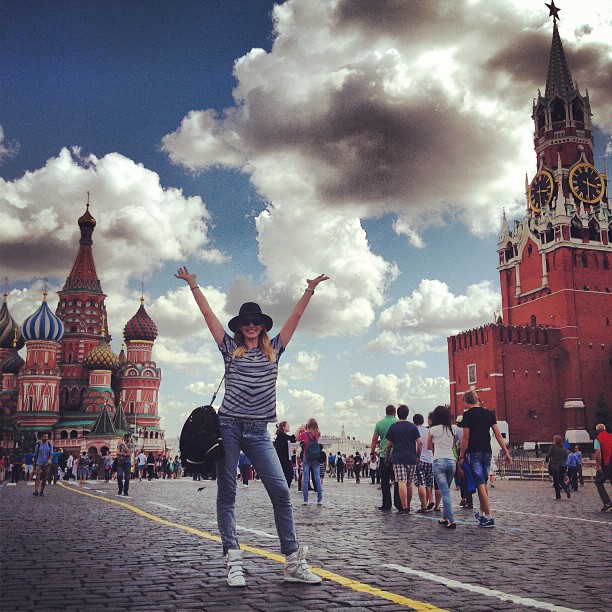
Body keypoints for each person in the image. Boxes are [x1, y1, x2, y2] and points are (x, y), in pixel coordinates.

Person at [175, 265, 327, 587]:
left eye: (256, 321)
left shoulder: (276, 351)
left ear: (263, 326)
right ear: (240, 327)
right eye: (246, 322)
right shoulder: (229, 349)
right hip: (228, 428)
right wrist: (193, 285)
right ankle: (233, 560)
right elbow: (208, 316)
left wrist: (310, 289)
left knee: (281, 492)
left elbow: (296, 317)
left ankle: (292, 563)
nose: (251, 326)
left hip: (259, 432)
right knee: (227, 494)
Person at [458, 390, 512, 528]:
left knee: (480, 483)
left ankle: (489, 517)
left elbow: (465, 438)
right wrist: (506, 452)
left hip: (473, 452)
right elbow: (498, 435)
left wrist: (461, 456)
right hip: (487, 452)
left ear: (467, 401)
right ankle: (481, 514)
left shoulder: (467, 415)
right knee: (484, 482)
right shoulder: (489, 414)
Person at [384, 404, 422, 514]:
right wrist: (418, 456)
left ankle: (404, 507)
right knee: (409, 483)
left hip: (398, 457)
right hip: (411, 457)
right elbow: (420, 442)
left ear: (397, 414)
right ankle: (408, 505)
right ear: (407, 414)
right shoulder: (413, 427)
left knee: (401, 481)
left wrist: (387, 457)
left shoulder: (394, 427)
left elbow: (388, 445)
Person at [428, 405, 458, 529]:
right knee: (446, 490)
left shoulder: (433, 429)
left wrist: (436, 446)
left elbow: (428, 446)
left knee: (444, 492)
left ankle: (451, 520)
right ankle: (445, 517)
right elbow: (453, 445)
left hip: (439, 460)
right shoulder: (453, 429)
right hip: (451, 461)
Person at [370, 404, 402, 511]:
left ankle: (386, 504)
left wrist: (372, 453)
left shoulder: (379, 424)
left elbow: (374, 439)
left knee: (384, 481)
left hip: (384, 455)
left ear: (386, 412)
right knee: (398, 480)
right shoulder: (398, 423)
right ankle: (398, 503)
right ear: (395, 412)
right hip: (397, 454)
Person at [297, 418, 323, 506]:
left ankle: (305, 500)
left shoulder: (304, 434)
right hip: (316, 457)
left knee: (306, 478)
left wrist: (302, 431)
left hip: (306, 457)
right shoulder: (318, 434)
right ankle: (319, 499)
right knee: (317, 478)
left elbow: (298, 439)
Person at [413, 413, 434, 513]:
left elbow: (417, 445)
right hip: (430, 460)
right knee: (429, 483)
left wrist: (417, 457)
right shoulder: (428, 430)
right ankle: (431, 500)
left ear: (414, 422)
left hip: (420, 460)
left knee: (421, 483)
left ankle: (424, 506)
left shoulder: (414, 431)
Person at [593, 423, 612, 511]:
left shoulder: (598, 439)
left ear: (597, 431)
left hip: (605, 464)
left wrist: (598, 466)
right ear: (605, 429)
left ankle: (607, 502)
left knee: (598, 482)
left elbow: (598, 453)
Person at [546, 435, 571, 500]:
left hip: (555, 465)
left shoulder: (553, 447)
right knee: (561, 480)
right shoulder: (563, 448)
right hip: (562, 465)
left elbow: (549, 455)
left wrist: (547, 459)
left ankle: (558, 496)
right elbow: (566, 457)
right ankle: (566, 490)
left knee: (556, 481)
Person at [274, 421, 297, 487]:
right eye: (287, 425)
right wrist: (299, 428)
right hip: (283, 459)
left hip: (286, 459)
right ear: (283, 427)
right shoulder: (281, 435)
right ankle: (284, 489)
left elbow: (293, 439)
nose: (289, 427)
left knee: (289, 475)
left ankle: (285, 489)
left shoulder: (283, 435)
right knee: (288, 475)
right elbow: (292, 438)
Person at [33, 433, 53, 497]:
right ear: (41, 437)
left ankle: (41, 491)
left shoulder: (50, 445)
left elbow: (51, 454)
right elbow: (35, 455)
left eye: (47, 437)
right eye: (44, 437)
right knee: (37, 477)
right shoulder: (38, 445)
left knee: (44, 478)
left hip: (47, 464)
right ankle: (36, 490)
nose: (46, 438)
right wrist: (35, 464)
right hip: (39, 463)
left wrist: (50, 460)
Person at [116, 433, 134, 497]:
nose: (126, 438)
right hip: (120, 462)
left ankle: (126, 491)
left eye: (128, 437)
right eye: (125, 437)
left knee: (127, 477)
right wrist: (124, 454)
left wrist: (124, 445)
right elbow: (117, 452)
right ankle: (120, 488)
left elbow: (129, 452)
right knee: (119, 476)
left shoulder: (131, 445)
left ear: (130, 438)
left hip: (127, 463)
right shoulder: (120, 445)